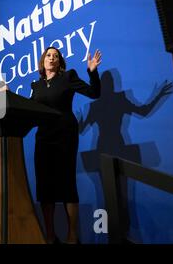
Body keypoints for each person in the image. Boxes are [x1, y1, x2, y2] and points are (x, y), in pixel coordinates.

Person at [30, 46, 101, 244]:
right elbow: (30, 111)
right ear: (43, 61)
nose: (52, 58)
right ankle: (50, 236)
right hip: (43, 138)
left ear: (59, 62)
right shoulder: (36, 86)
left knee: (67, 184)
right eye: (48, 55)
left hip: (64, 137)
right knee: (45, 188)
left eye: (56, 56)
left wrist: (92, 72)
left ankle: (72, 235)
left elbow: (94, 92)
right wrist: (9, 95)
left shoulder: (68, 77)